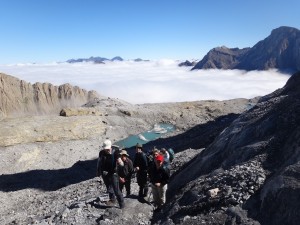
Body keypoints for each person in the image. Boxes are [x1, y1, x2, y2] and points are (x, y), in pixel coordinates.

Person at [96, 139, 125, 209]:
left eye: (108, 149)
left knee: (117, 190)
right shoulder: (101, 153)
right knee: (109, 188)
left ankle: (122, 204)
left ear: (110, 147)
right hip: (105, 173)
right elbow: (99, 162)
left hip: (113, 174)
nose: (107, 150)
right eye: (106, 149)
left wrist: (120, 163)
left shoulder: (115, 153)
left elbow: (121, 162)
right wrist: (98, 170)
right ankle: (112, 199)